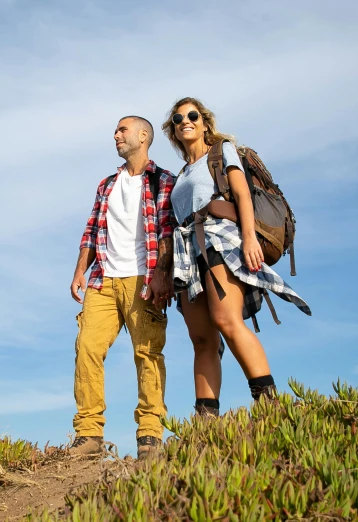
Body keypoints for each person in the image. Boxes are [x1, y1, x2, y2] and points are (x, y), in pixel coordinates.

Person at [161, 97, 311, 418]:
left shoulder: (222, 151)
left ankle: (271, 409)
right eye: (178, 118)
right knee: (202, 340)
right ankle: (207, 424)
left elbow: (242, 194)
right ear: (173, 129)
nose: (185, 120)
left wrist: (249, 239)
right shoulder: (183, 173)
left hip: (219, 237)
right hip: (188, 251)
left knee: (226, 320)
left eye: (192, 115)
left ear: (204, 122)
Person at [68, 115, 175, 459]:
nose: (116, 135)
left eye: (122, 129)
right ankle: (89, 434)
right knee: (87, 347)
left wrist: (161, 275)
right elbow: (91, 230)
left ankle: (150, 436)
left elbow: (168, 232)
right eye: (116, 130)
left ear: (143, 136)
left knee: (147, 353)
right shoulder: (106, 184)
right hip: (103, 280)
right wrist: (80, 271)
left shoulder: (163, 181)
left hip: (143, 278)